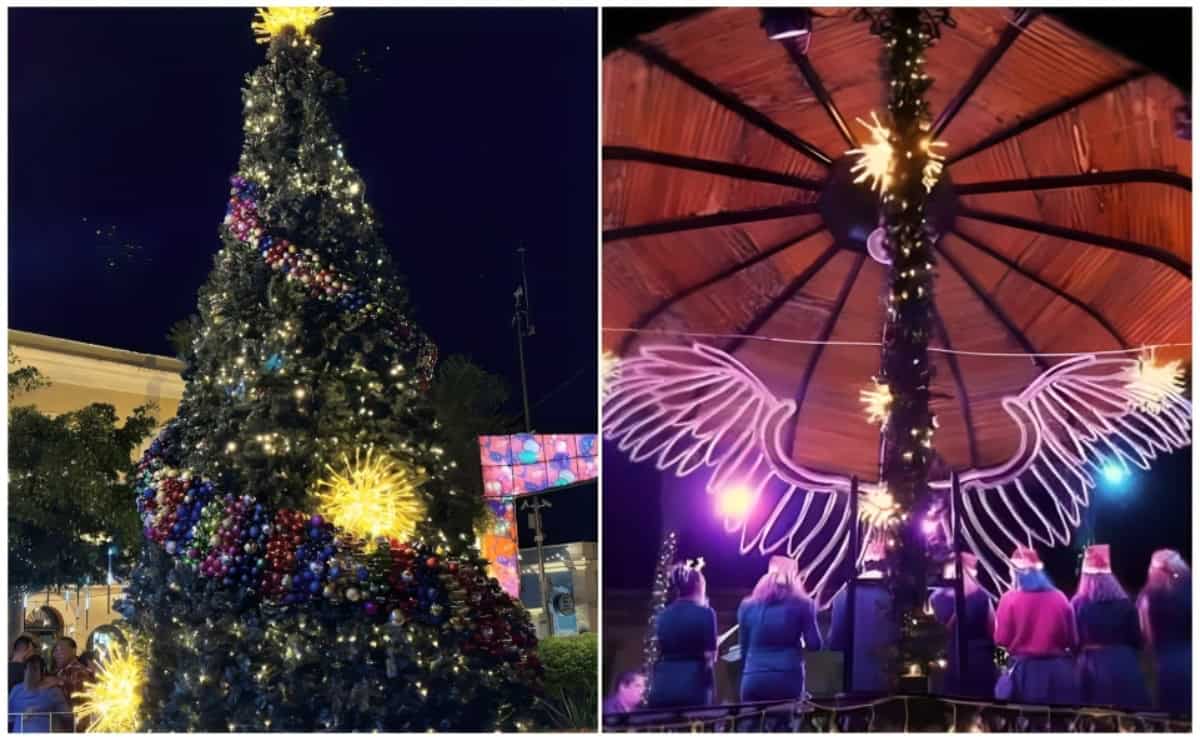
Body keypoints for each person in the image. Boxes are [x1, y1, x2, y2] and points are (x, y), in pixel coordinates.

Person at [993, 546, 1079, 705]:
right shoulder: (1059, 598)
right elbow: (1073, 640)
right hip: (1060, 673)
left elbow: (1000, 644)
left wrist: (1003, 673)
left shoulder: (1008, 600)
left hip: (1025, 675)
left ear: (1014, 572)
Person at [1070, 544, 1150, 710]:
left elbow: (1072, 641)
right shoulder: (1125, 603)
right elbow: (1138, 641)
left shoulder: (1077, 604)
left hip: (1092, 666)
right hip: (1125, 664)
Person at [737, 558, 821, 702]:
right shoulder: (804, 604)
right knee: (786, 723)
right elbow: (815, 645)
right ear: (794, 576)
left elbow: (743, 649)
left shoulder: (747, 606)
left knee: (751, 723)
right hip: (788, 679)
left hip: (754, 678)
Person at [828, 537, 898, 693]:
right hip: (893, 680)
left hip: (855, 677)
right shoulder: (896, 595)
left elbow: (835, 642)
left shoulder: (844, 595)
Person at [646, 559, 718, 708]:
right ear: (699, 586)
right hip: (693, 685)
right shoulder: (706, 613)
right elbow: (710, 655)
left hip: (663, 684)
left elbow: (660, 647)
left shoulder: (662, 615)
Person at [930, 552, 996, 699]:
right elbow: (993, 628)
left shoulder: (982, 595)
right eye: (971, 570)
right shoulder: (939, 597)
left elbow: (993, 629)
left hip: (975, 658)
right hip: (961, 657)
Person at [1138, 548, 1191, 715]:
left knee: (1172, 711)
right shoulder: (1191, 588)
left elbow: (1146, 634)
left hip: (1166, 659)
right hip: (1190, 652)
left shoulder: (1147, 595)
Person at [7, 655, 72, 733]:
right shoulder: (53, 691)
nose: (31, 673)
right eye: (30, 669)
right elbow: (67, 715)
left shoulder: (16, 690)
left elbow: (9, 717)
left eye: (34, 669)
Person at [48, 637, 91, 708]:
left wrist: (60, 683)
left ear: (73, 651)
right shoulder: (58, 671)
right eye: (55, 651)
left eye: (61, 650)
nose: (56, 654)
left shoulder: (80, 671)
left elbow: (80, 698)